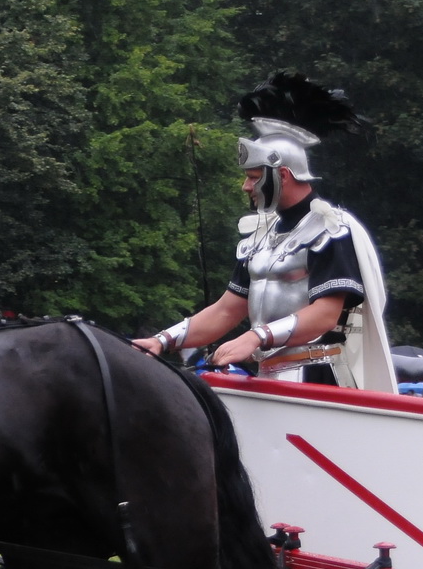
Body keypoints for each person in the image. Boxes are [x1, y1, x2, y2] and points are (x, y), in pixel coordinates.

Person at [134, 73, 396, 391]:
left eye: (254, 177)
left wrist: (255, 336)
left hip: (316, 376)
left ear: (283, 174)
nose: (246, 186)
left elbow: (326, 313)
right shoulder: (260, 238)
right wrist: (161, 341)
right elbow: (227, 309)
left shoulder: (329, 229)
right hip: (269, 375)